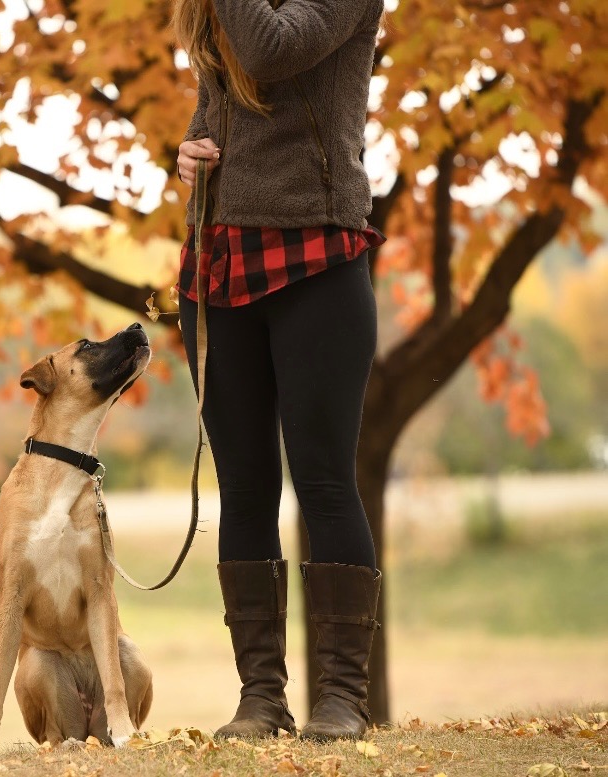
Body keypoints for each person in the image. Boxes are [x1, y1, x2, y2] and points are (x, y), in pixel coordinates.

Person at [172, 0, 386, 741]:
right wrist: (192, 149)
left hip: (317, 253)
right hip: (218, 257)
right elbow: (220, 104)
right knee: (245, 486)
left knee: (323, 479)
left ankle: (341, 697)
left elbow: (268, 51)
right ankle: (259, 697)